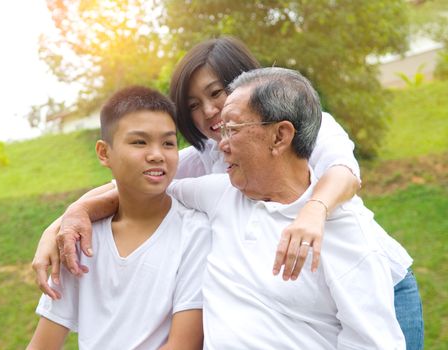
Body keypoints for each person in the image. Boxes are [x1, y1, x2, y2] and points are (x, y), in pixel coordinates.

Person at [32, 37, 423, 348]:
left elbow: (345, 173)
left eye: (217, 94)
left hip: (383, 285)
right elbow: (139, 184)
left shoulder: (312, 132)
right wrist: (70, 218)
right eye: (194, 105)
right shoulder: (211, 170)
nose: (210, 113)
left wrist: (313, 212)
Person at [166, 66, 405, 348]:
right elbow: (145, 186)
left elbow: (372, 344)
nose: (221, 146)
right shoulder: (220, 193)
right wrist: (97, 206)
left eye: (232, 130)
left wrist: (316, 210)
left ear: (280, 136)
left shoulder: (347, 237)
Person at [27, 86, 211, 350]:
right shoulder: (79, 239)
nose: (157, 154)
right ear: (104, 153)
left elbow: (184, 345)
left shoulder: (195, 233)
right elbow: (43, 344)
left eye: (168, 143)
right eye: (140, 142)